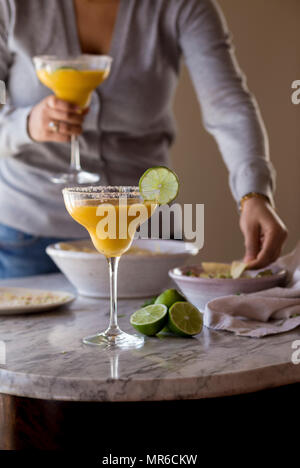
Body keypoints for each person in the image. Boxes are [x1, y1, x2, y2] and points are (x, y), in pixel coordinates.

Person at [0, 0, 287, 279]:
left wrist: (253, 194)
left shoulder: (182, 6)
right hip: (29, 235)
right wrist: (25, 125)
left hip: (148, 229)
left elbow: (228, 105)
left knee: (152, 325)